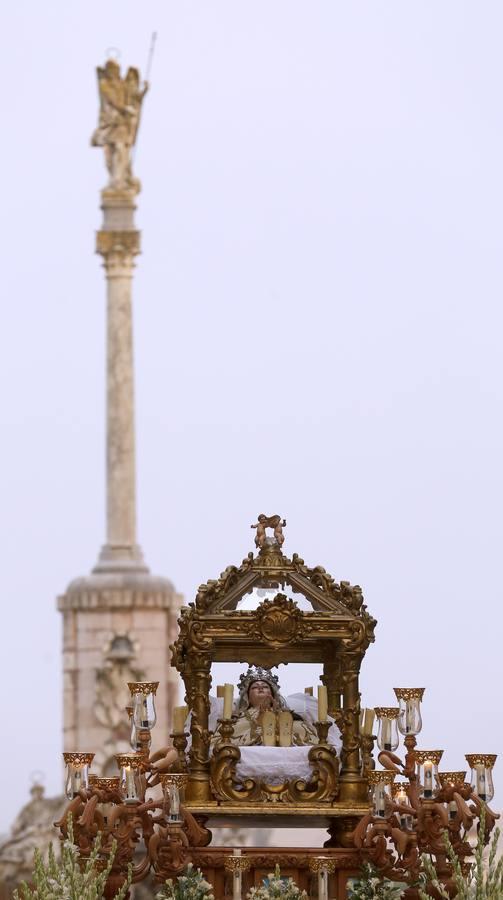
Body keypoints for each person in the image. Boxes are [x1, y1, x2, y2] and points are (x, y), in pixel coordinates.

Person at [217, 667, 318, 747]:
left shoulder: (288, 716)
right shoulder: (238, 719)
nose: (260, 688)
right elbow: (220, 741)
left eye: (265, 687)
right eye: (255, 687)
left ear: (273, 695)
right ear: (247, 697)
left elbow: (307, 736)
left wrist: (277, 715)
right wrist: (258, 723)